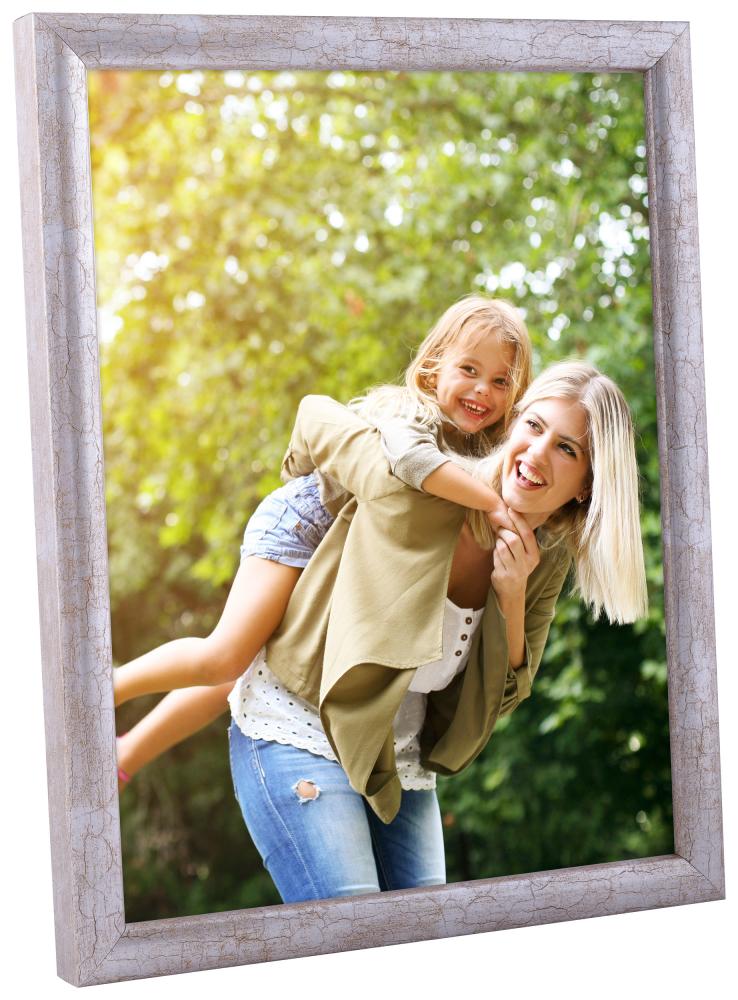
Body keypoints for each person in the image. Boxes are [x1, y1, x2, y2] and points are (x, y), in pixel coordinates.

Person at [120, 361, 648, 905]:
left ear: (587, 485)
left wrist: (511, 598)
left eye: (567, 449)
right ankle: (104, 707)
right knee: (357, 931)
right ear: (513, 426)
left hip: (396, 761)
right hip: (301, 722)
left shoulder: (546, 561)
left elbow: (503, 699)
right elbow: (319, 419)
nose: (537, 454)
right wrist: (311, 468)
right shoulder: (433, 482)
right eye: (533, 426)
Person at [113, 296, 532, 722]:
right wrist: (493, 504)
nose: (482, 389)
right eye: (469, 370)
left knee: (261, 657)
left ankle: (127, 750)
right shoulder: (408, 412)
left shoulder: (485, 453)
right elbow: (413, 463)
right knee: (225, 657)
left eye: (500, 382)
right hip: (304, 525)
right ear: (433, 367)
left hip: (345, 555)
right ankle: (112, 687)